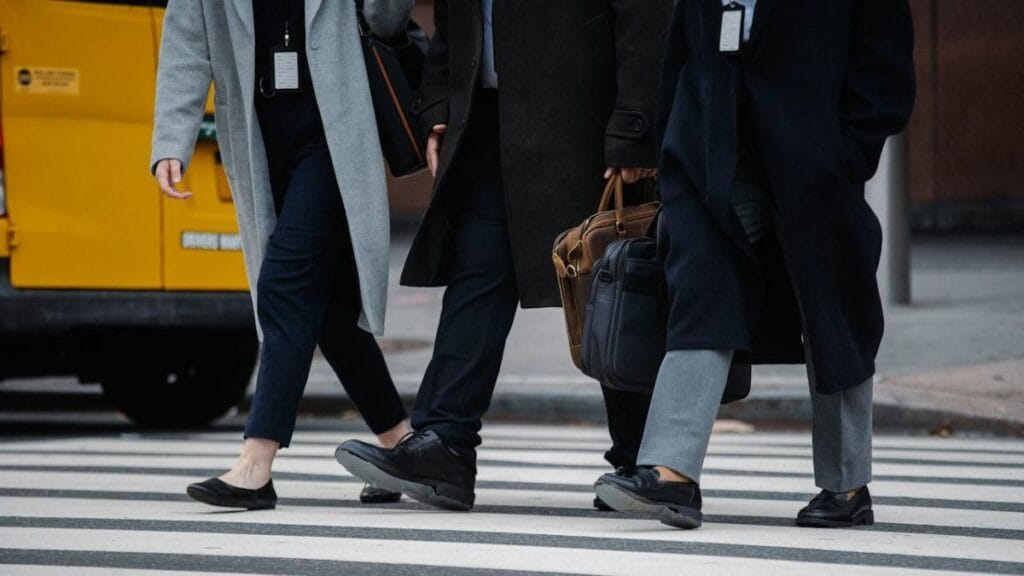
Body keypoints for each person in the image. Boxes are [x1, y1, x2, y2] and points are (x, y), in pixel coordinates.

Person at [336, 0, 673, 511]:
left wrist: (634, 127)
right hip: (487, 125)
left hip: (584, 125)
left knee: (608, 284)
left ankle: (642, 457)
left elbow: (644, 19)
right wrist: (438, 105)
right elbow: (454, 23)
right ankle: (445, 443)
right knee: (478, 275)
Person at [593, 0, 917, 529]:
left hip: (814, 162)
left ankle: (847, 485)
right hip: (710, 154)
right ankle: (672, 470)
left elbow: (886, 66)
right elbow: (682, 50)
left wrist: (845, 153)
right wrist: (676, 141)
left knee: (833, 312)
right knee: (700, 287)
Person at [150, 0, 415, 510]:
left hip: (333, 133)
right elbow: (187, 39)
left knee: (284, 285)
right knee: (333, 315)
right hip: (259, 135)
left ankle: (256, 461)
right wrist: (171, 141)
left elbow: (387, 19)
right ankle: (401, 446)